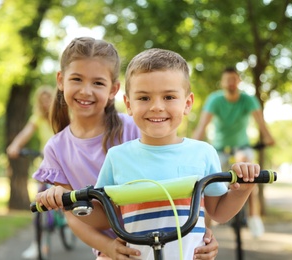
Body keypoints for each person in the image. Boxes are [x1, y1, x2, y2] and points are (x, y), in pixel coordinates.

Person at [34, 37, 219, 260]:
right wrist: (108, 247)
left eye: (98, 83)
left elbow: (181, 174)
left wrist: (202, 234)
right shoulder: (57, 148)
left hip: (169, 234)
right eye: (77, 79)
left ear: (113, 89)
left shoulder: (138, 125)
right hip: (115, 245)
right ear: (61, 81)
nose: (86, 91)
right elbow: (75, 216)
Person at [73, 48, 261, 260]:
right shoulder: (117, 157)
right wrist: (67, 202)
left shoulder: (203, 152)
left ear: (187, 104)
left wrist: (242, 191)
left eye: (169, 97)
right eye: (143, 98)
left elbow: (218, 212)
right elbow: (104, 217)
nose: (156, 107)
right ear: (128, 105)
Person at [192, 67, 275, 238]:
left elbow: (260, 121)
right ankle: (205, 231)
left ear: (239, 81)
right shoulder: (215, 100)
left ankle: (254, 216)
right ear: (222, 83)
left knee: (249, 171)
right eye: (227, 79)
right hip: (220, 148)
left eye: (234, 79)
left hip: (241, 146)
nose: (230, 83)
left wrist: (268, 137)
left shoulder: (247, 100)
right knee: (209, 183)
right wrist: (193, 145)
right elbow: (202, 126)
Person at [6, 86, 54, 259]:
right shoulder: (38, 119)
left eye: (48, 99)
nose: (46, 104)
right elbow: (26, 133)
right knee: (39, 202)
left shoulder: (63, 115)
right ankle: (37, 244)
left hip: (63, 162)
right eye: (42, 101)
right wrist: (15, 146)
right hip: (46, 163)